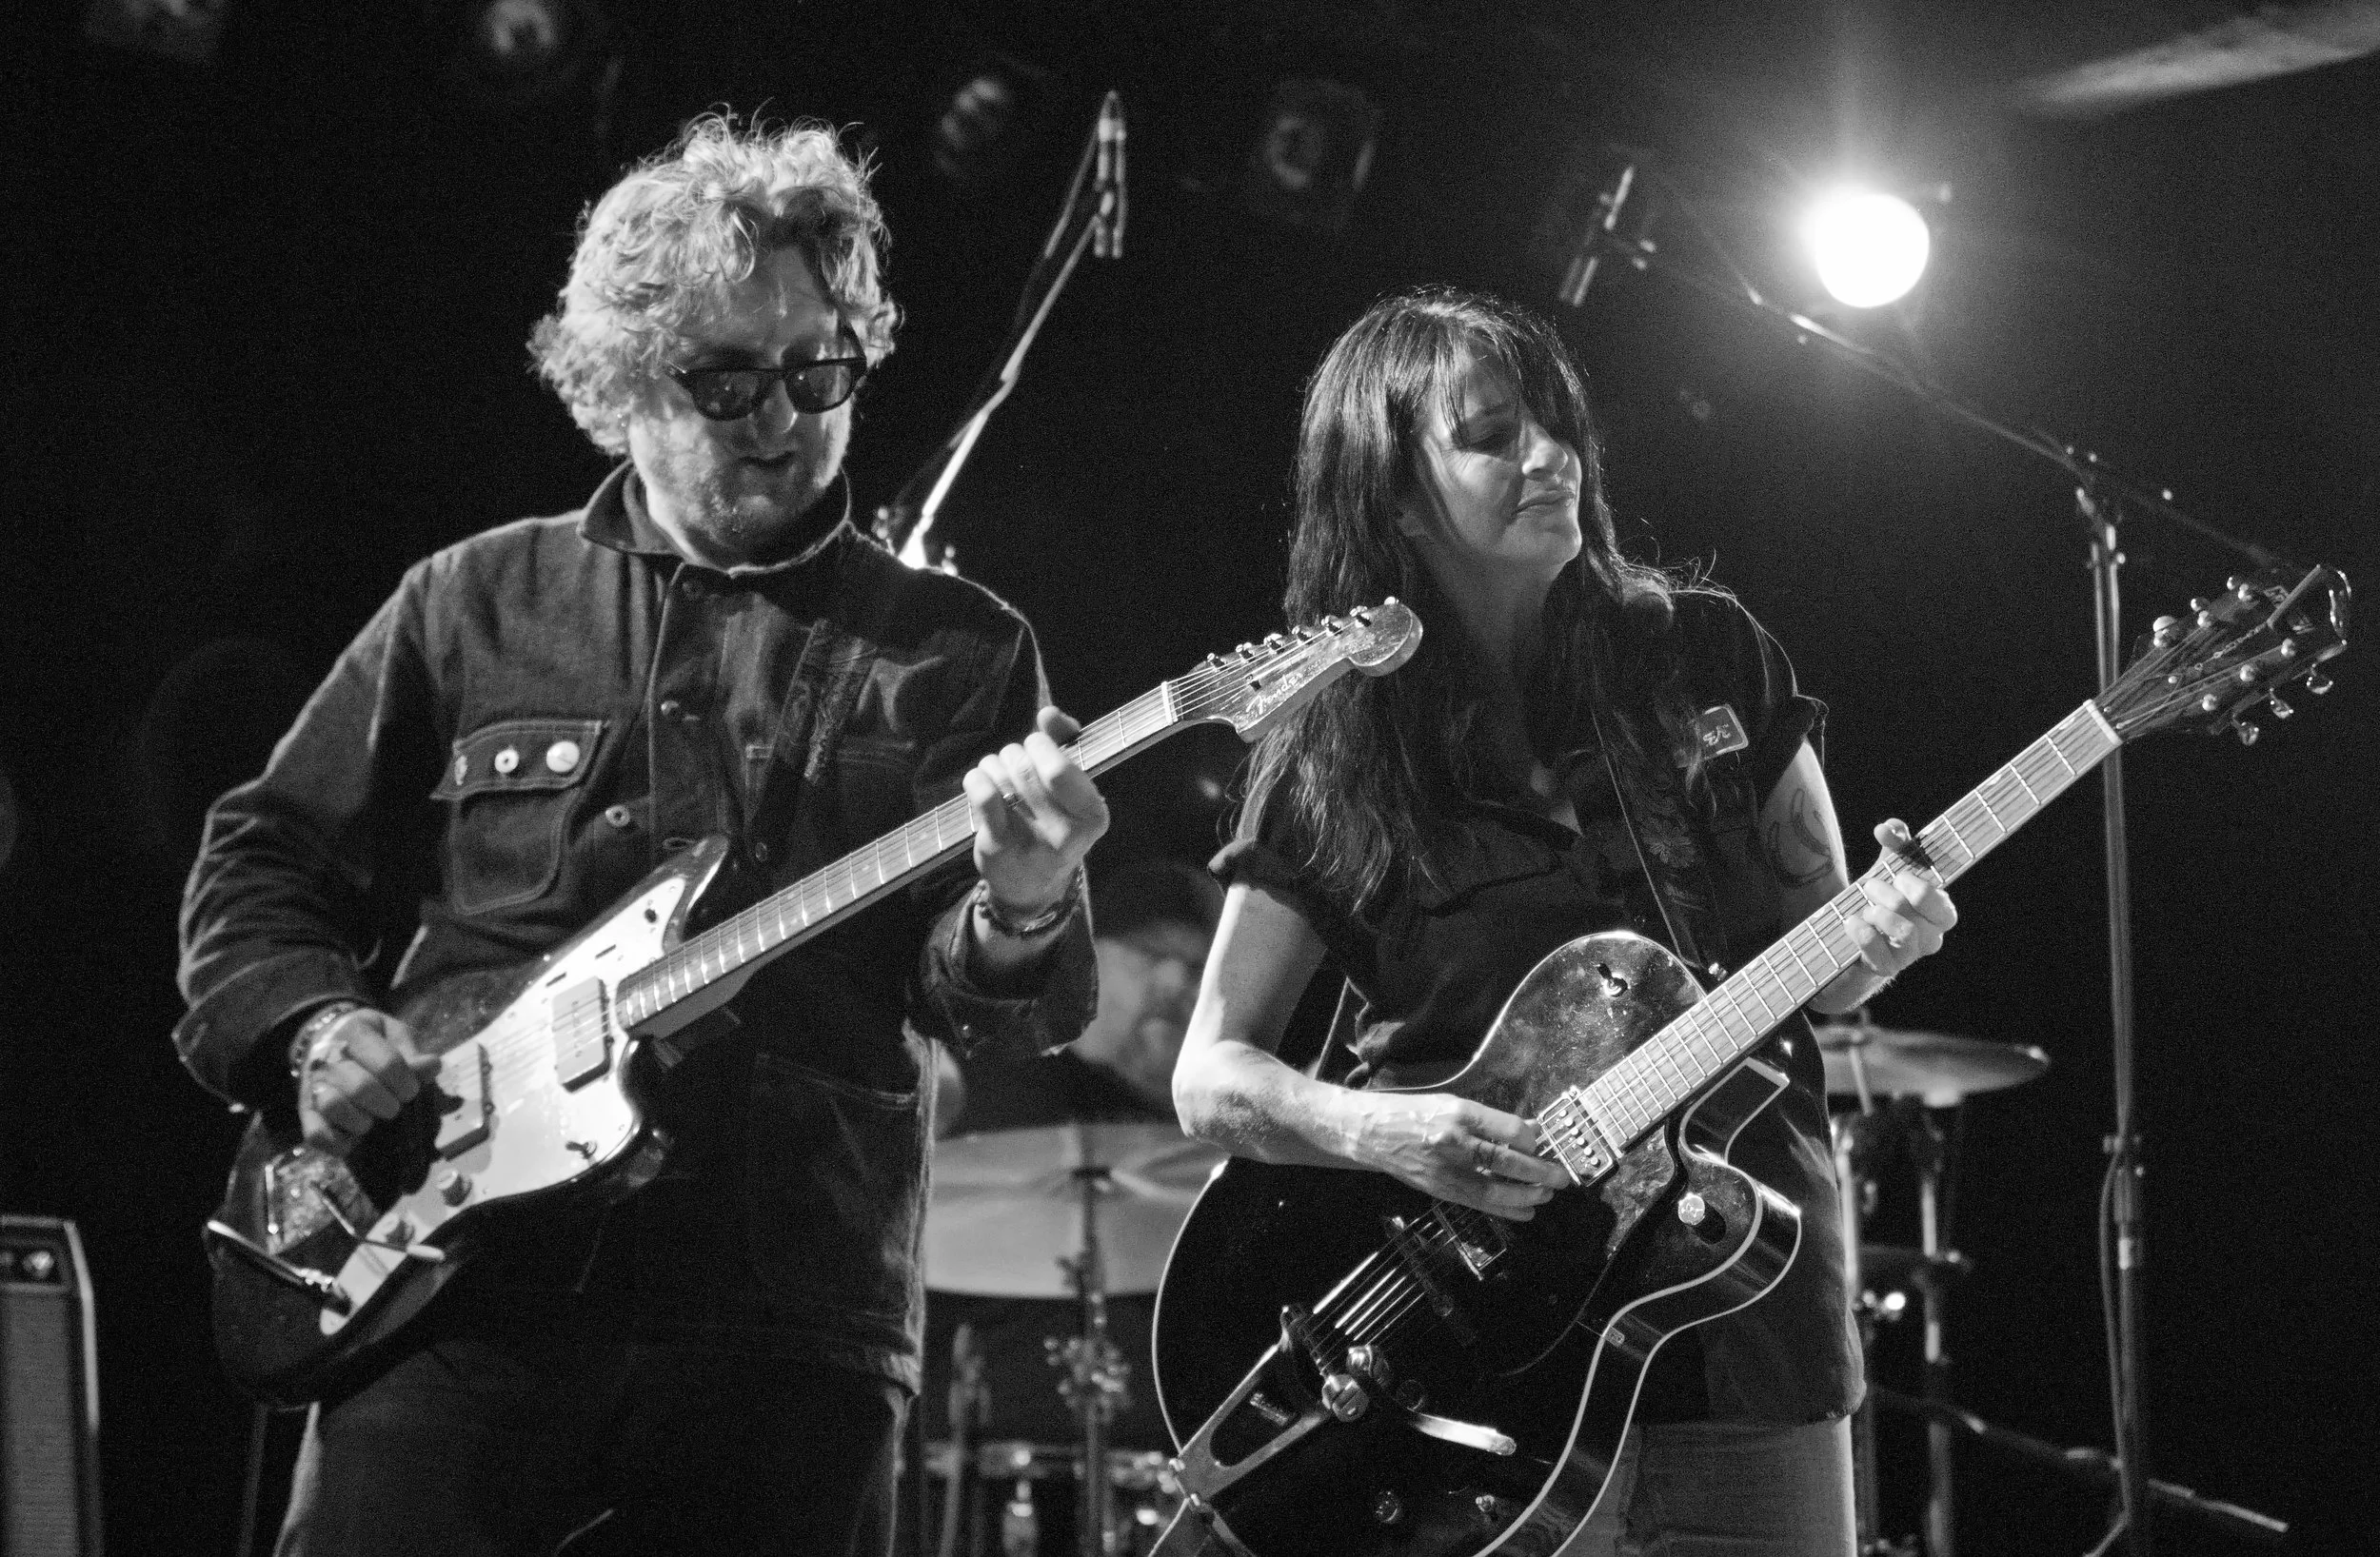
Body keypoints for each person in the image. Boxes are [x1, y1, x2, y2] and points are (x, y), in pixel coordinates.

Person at [173, 115, 1110, 1557]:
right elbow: (263, 858)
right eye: (726, 379)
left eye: (817, 370)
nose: (781, 417)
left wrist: (1025, 907)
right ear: (621, 385)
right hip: (454, 1292)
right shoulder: (473, 601)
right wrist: (313, 1030)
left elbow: (988, 1003)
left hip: (784, 1330)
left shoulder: (958, 650)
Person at [1169, 286, 1957, 1557]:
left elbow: (1832, 959)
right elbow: (1211, 1077)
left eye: (1557, 423)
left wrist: (1892, 933)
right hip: (1474, 1390)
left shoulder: (1705, 656)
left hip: (1748, 1328)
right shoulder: (1334, 751)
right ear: (1395, 499)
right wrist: (1385, 1131)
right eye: (1492, 435)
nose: (1552, 458)